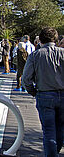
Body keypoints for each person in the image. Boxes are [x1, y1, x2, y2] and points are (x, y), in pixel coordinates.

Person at [22, 27, 64, 157]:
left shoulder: (35, 55)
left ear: (40, 39)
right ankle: (56, 152)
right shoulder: (63, 53)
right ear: (56, 39)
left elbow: (26, 79)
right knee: (61, 129)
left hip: (44, 94)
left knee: (48, 130)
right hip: (62, 94)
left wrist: (33, 92)